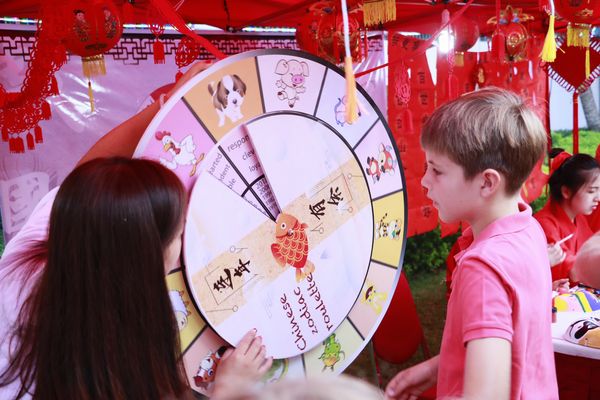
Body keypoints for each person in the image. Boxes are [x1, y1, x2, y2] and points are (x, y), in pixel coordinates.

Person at [0, 63, 272, 399]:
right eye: (179, 235)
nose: (185, 241)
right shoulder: (111, 357)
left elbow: (91, 174)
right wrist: (227, 390)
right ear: (144, 259)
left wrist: (167, 105)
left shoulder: (55, 241)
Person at [385, 88, 558, 399]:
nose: (425, 181)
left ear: (487, 182)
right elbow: (514, 344)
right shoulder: (528, 229)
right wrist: (437, 368)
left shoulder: (483, 268)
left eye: (437, 170)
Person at [534, 149, 600, 284]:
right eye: (591, 191)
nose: (598, 198)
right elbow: (576, 270)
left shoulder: (578, 217)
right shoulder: (545, 225)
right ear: (566, 191)